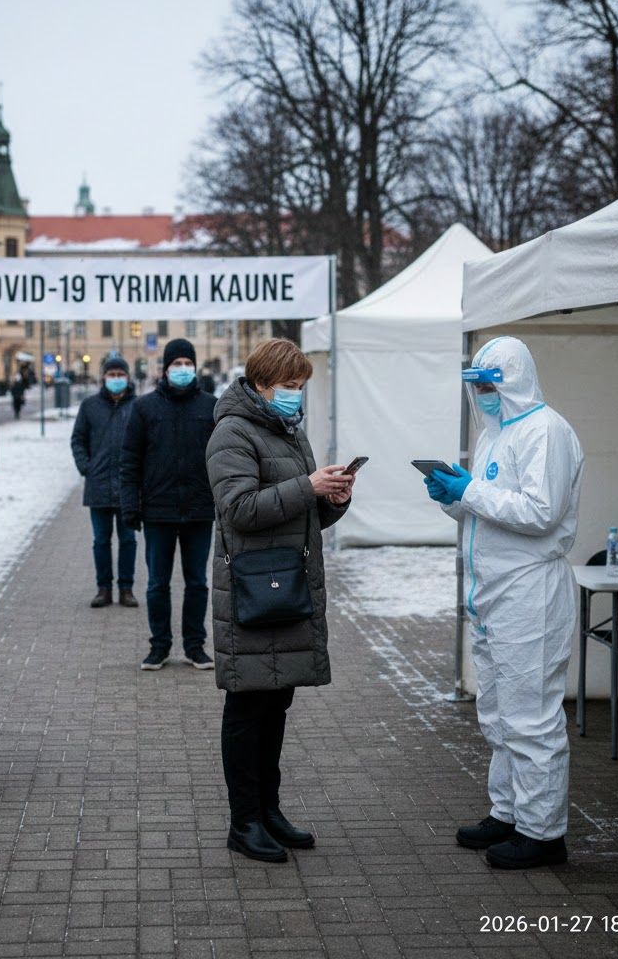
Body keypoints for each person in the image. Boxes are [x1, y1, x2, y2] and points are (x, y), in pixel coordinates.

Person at [424, 336, 583, 870]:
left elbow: (540, 513)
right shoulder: (496, 435)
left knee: (531, 717)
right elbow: (490, 513)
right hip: (494, 594)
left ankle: (543, 833)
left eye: (492, 385)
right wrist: (454, 499)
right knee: (498, 713)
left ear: (513, 380)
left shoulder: (546, 432)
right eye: (479, 387)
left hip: (530, 594)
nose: (485, 395)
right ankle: (509, 812)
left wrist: (469, 492)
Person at [205, 338, 354, 863]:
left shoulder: (286, 431)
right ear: (263, 384)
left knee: (276, 704)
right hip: (253, 588)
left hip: (285, 584)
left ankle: (269, 811)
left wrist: (332, 498)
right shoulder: (232, 432)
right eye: (290, 387)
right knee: (248, 707)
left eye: (301, 387)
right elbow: (239, 509)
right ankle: (243, 822)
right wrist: (306, 487)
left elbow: (299, 511)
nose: (297, 396)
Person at [120, 338, 217, 671]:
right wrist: (130, 506)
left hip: (200, 510)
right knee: (157, 583)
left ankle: (195, 646)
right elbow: (130, 461)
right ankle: (159, 646)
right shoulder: (145, 408)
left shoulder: (211, 407)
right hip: (158, 510)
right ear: (165, 368)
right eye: (176, 364)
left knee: (198, 582)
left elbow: (224, 459)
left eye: (187, 364)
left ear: (195, 366)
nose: (182, 370)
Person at [71, 357, 139, 608]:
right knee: (101, 541)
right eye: (111, 373)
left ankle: (126, 589)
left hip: (128, 486)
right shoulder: (90, 406)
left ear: (128, 377)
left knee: (128, 540)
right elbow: (78, 439)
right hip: (98, 484)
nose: (116, 377)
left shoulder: (138, 406)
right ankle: (104, 589)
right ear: (103, 377)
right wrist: (86, 467)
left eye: (120, 373)